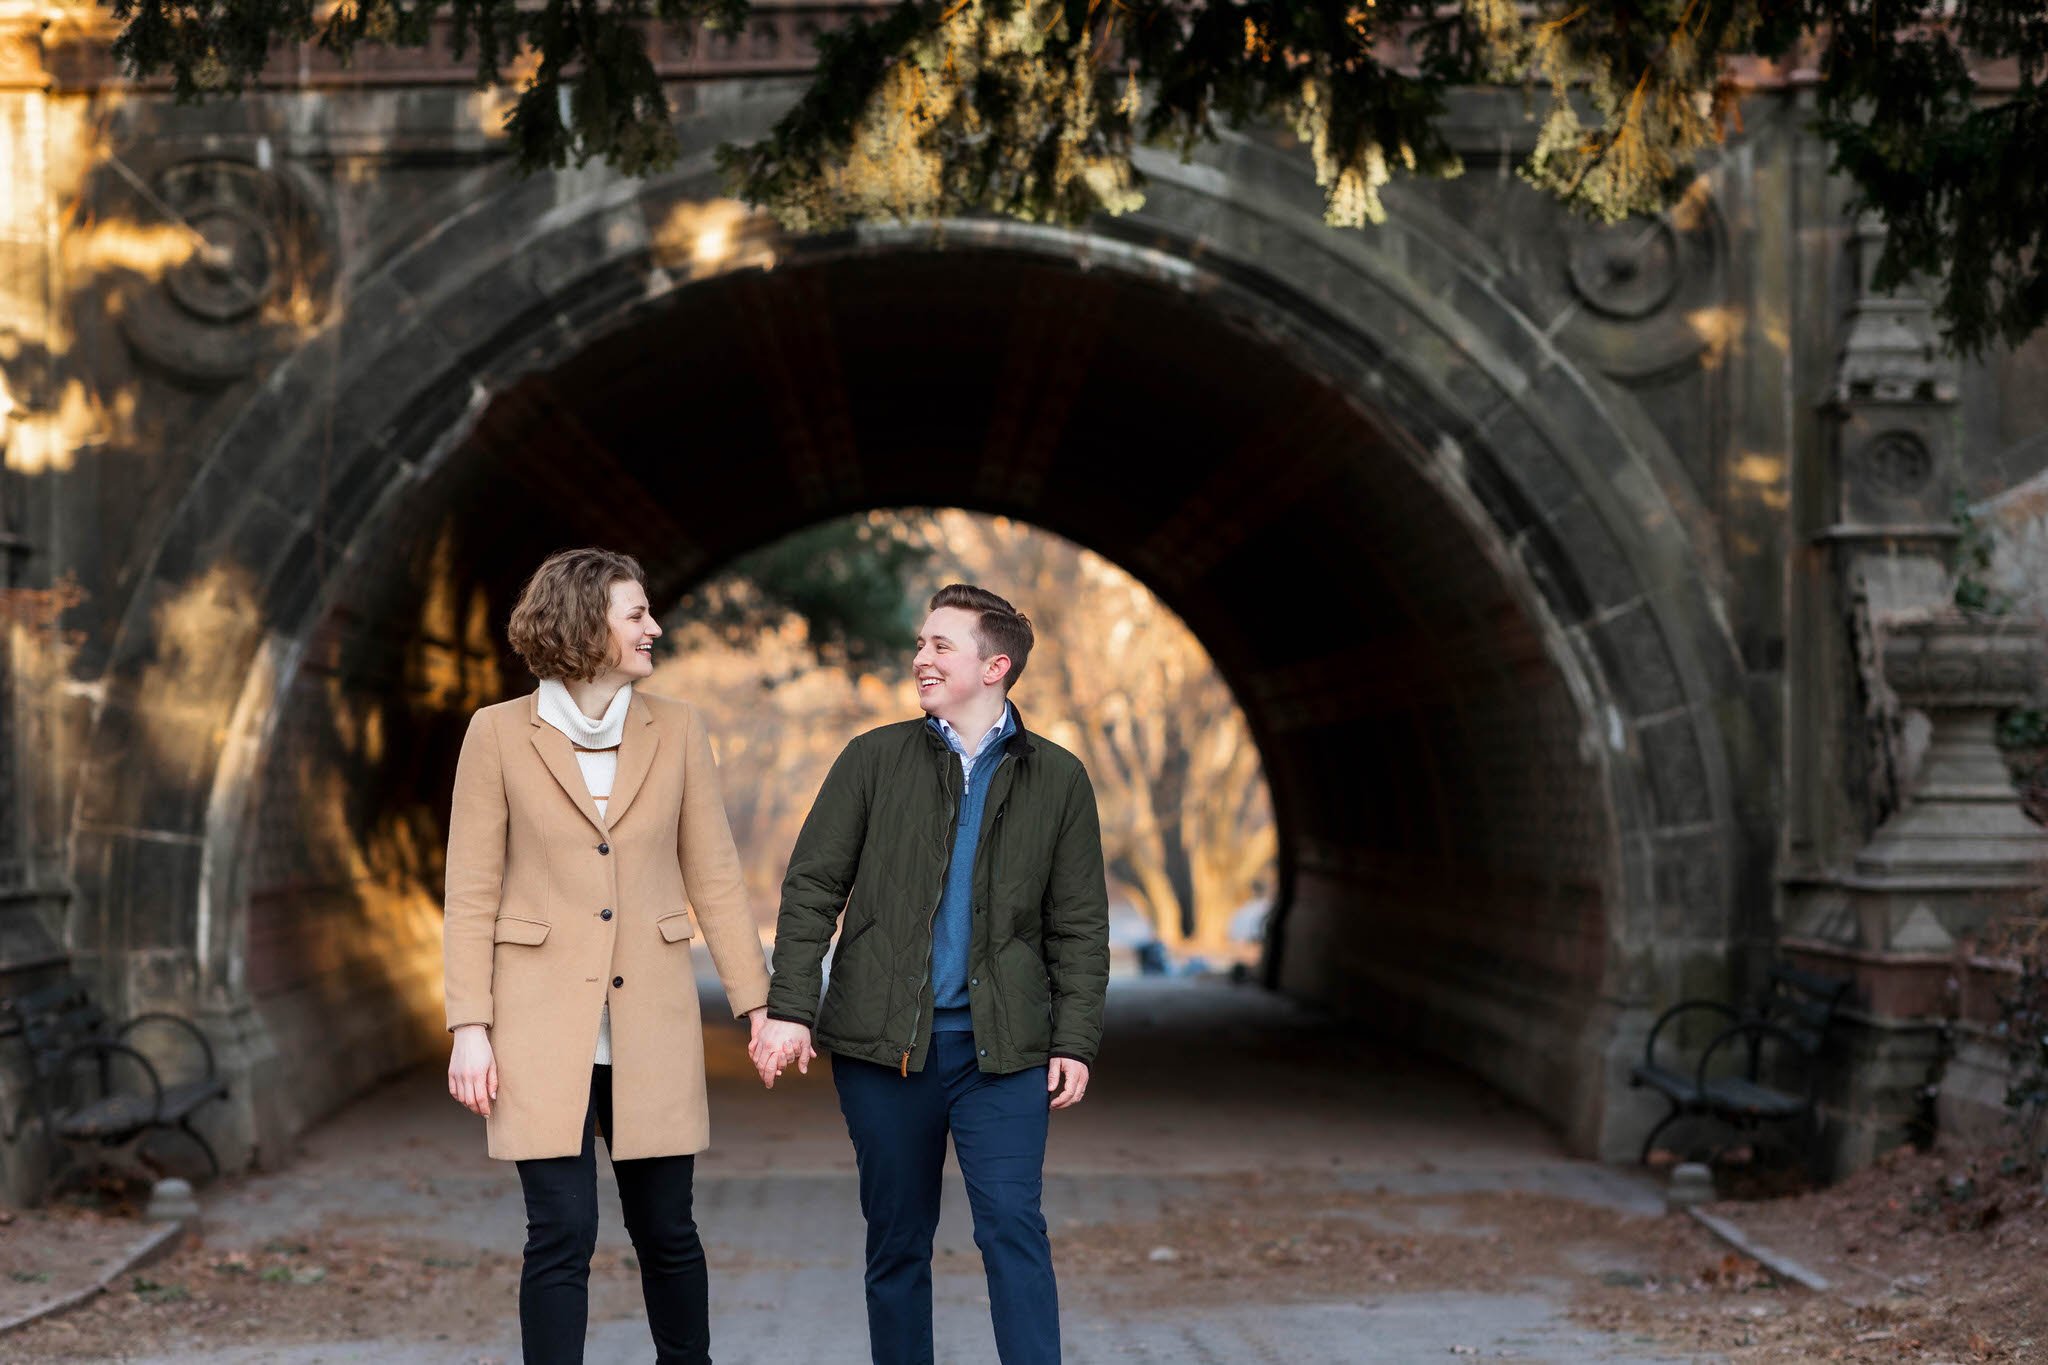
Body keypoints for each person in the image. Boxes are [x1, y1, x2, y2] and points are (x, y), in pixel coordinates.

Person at [752, 583, 1110, 1365]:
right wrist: (790, 1007)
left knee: (1012, 1227)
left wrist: (1075, 1039)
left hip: (1005, 1054)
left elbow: (1079, 925)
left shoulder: (1058, 777)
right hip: (886, 1052)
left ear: (996, 665)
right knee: (898, 1241)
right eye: (920, 642)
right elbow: (813, 885)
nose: (920, 657)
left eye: (941, 645)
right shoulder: (873, 759)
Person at [443, 547, 772, 1365]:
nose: (654, 626)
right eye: (637, 614)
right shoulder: (495, 734)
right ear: (588, 625)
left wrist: (759, 1006)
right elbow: (471, 890)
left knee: (668, 1229)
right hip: (535, 1025)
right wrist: (468, 1025)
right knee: (561, 1233)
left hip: (650, 1020)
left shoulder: (681, 729)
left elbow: (716, 875)